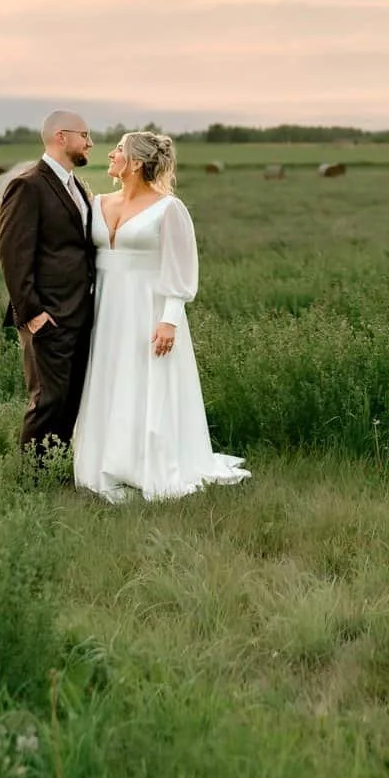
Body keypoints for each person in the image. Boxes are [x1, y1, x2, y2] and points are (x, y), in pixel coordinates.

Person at [72, 129, 248, 502]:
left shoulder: (169, 209)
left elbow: (180, 267)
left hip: (149, 309)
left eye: (118, 150)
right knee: (109, 379)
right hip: (106, 311)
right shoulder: (97, 202)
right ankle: (105, 462)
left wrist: (169, 318)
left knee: (146, 381)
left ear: (135, 162)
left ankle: (148, 464)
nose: (110, 155)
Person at [0, 109, 98, 458]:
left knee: (70, 399)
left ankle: (58, 473)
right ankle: (31, 484)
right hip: (47, 315)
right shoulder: (28, 186)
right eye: (85, 135)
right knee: (47, 400)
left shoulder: (77, 187)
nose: (90, 143)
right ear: (62, 137)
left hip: (78, 312)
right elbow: (14, 256)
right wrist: (32, 314)